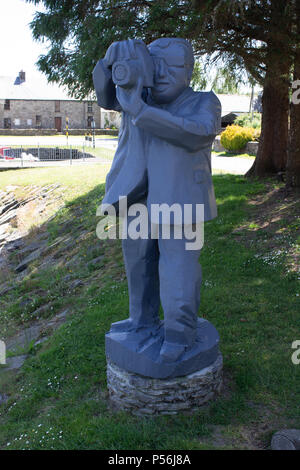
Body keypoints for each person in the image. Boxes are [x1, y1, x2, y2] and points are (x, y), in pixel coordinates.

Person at [93, 38, 221, 375]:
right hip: (136, 198)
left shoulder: (203, 102)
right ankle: (141, 321)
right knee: (138, 266)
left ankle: (180, 335)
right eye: (156, 64)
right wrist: (109, 64)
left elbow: (197, 132)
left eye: (174, 67)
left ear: (189, 71)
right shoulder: (139, 95)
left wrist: (142, 112)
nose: (162, 73)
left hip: (181, 203)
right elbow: (106, 96)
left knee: (177, 269)